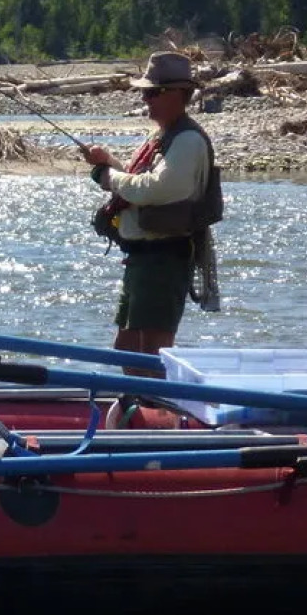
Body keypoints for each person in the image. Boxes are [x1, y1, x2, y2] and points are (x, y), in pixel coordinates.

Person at [80, 52, 221, 374]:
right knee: (126, 350)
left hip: (163, 259)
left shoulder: (186, 140)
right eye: (144, 92)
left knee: (150, 354)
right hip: (142, 259)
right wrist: (109, 164)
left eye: (153, 92)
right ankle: (134, 410)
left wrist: (107, 176)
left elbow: (155, 190)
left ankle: (156, 414)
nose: (146, 99)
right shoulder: (162, 136)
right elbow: (137, 184)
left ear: (178, 94)